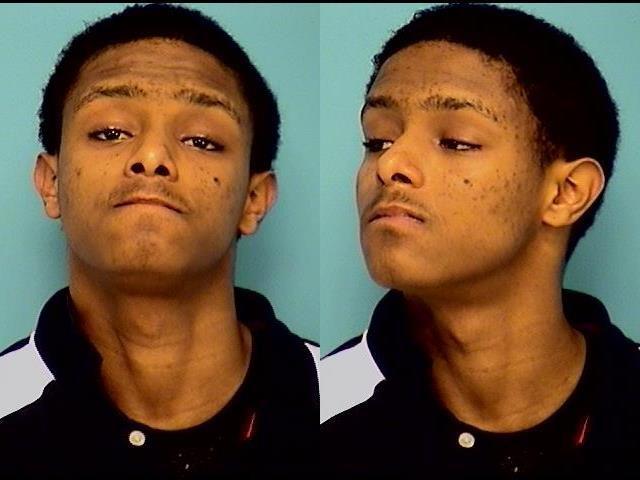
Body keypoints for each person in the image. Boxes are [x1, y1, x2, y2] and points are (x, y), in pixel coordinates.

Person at [321, 3, 639, 477]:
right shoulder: (307, 412)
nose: (389, 165)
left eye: (455, 142)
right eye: (377, 141)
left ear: (566, 193)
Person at [0, 4, 318, 477]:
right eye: (110, 132)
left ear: (253, 200)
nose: (151, 156)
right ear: (52, 183)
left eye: (201, 140)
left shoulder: (337, 398)